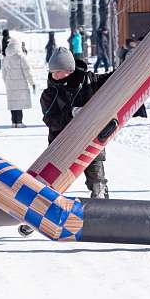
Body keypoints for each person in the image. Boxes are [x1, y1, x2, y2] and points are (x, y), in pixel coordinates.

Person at [41, 47, 110, 198]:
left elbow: (114, 79)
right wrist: (70, 113)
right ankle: (41, 214)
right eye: (53, 72)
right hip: (61, 143)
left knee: (98, 183)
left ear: (69, 69)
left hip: (90, 140)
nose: (55, 75)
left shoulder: (90, 81)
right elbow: (51, 122)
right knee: (51, 187)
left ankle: (101, 209)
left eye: (58, 71)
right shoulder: (49, 94)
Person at [3, 38, 35, 128]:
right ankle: (19, 122)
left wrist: (7, 82)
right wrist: (32, 82)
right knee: (19, 103)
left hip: (10, 83)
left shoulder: (6, 58)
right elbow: (27, 71)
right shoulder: (21, 57)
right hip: (21, 84)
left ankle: (14, 123)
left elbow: (3, 73)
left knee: (13, 103)